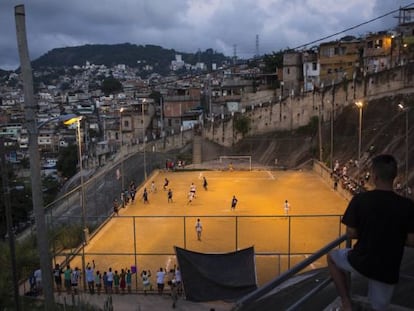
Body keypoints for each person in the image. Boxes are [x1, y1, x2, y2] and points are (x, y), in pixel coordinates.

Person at [327, 154, 414, 311]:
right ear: (395, 176)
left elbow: (351, 233)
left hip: (361, 260)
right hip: (388, 267)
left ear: (374, 176)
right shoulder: (407, 205)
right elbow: (411, 241)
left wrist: (370, 232)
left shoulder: (361, 199)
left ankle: (346, 303)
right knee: (379, 307)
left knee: (332, 258)